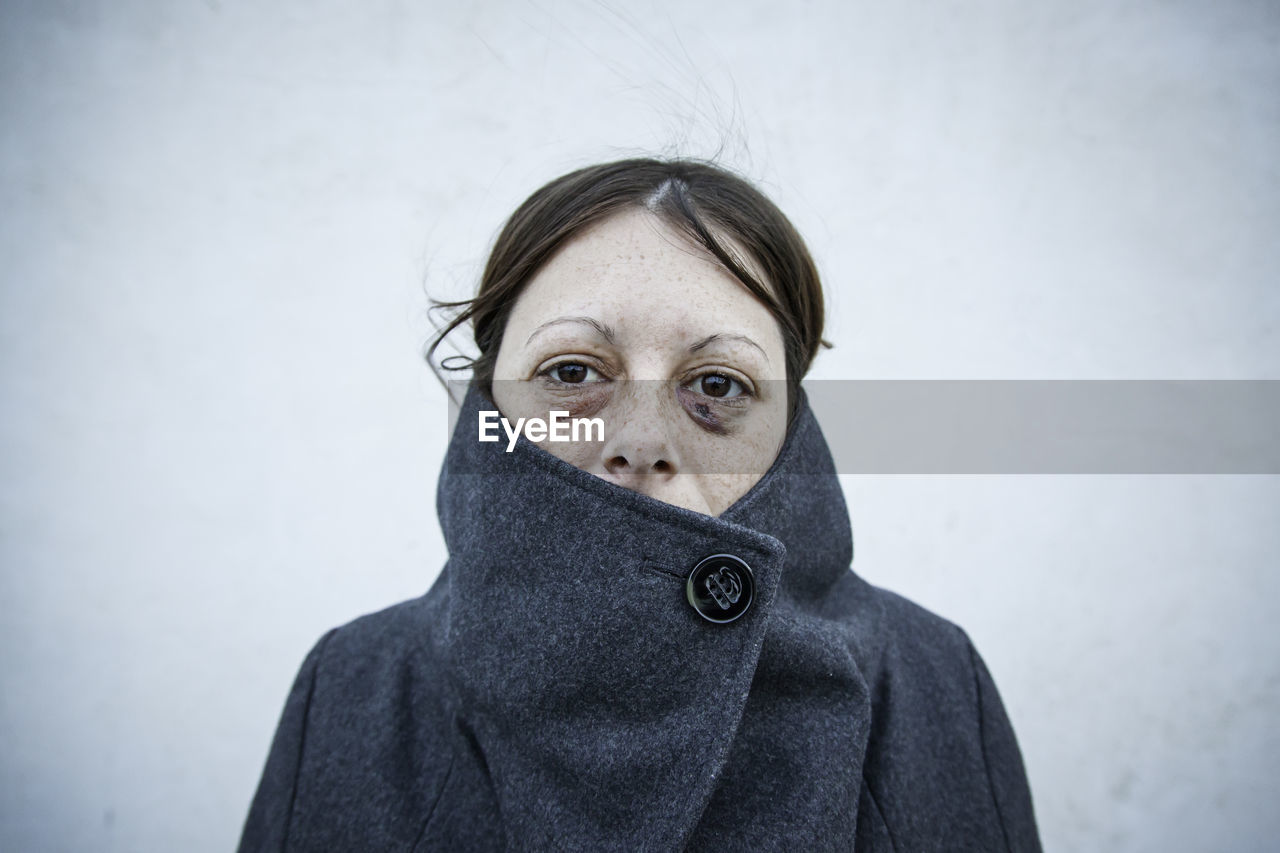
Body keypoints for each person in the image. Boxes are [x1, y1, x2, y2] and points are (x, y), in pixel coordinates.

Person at [237, 158, 1043, 851]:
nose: (642, 438)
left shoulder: (934, 681)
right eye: (572, 372)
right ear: (489, 404)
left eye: (717, 385)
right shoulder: (352, 684)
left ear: (791, 425)